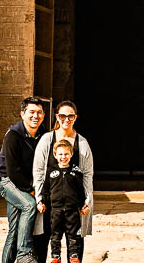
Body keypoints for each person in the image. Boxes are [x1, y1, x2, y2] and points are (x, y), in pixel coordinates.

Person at [33, 101, 94, 263]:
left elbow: (87, 174)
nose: (66, 119)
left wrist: (87, 200)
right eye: (62, 116)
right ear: (57, 117)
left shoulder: (82, 143)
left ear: (75, 117)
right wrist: (39, 197)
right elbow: (38, 171)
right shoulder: (47, 139)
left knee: (75, 240)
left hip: (73, 204)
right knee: (47, 239)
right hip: (51, 203)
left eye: (70, 116)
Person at [0, 96, 49, 263]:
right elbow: (13, 171)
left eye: (39, 112)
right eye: (31, 112)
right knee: (29, 205)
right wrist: (31, 191)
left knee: (14, 228)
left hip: (22, 182)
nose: (35, 116)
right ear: (22, 114)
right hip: (5, 179)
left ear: (44, 115)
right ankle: (24, 254)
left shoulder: (43, 135)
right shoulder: (13, 134)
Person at [38, 139, 91, 263]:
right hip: (55, 210)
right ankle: (56, 256)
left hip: (72, 211)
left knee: (73, 235)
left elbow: (80, 191)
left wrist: (83, 204)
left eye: (66, 154)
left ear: (71, 154)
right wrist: (42, 202)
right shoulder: (51, 171)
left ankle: (73, 256)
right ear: (55, 155)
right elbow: (46, 189)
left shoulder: (76, 172)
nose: (63, 157)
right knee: (55, 235)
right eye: (60, 154)